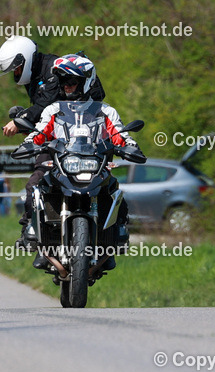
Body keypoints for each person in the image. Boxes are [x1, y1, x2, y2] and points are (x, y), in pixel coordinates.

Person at [21, 55, 142, 270]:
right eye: (63, 82)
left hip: (96, 166)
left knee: (115, 193)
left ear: (86, 81)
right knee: (38, 190)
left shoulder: (105, 111)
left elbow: (119, 133)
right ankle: (40, 242)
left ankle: (113, 241)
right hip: (63, 165)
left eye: (71, 82)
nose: (66, 87)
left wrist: (129, 145)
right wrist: (29, 142)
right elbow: (40, 131)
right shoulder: (53, 110)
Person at [0, 36, 107, 247]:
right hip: (56, 141)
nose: (15, 75)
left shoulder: (54, 71)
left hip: (83, 139)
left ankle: (112, 231)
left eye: (16, 69)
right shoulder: (38, 75)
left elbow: (44, 104)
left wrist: (21, 121)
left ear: (25, 60)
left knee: (108, 183)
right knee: (36, 184)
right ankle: (33, 229)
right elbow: (45, 112)